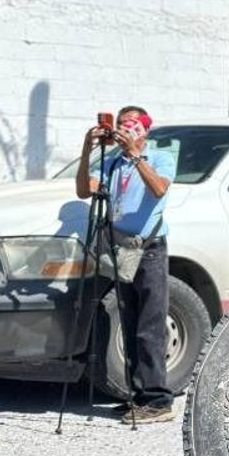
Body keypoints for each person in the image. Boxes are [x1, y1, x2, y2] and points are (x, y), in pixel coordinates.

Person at [75, 106, 178, 424]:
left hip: (148, 250)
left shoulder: (159, 157)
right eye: (119, 124)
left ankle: (158, 399)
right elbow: (83, 189)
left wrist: (135, 155)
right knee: (130, 323)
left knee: (150, 325)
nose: (123, 129)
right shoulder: (113, 163)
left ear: (145, 130)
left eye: (130, 124)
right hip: (120, 248)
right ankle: (137, 395)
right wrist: (86, 149)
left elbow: (159, 189)